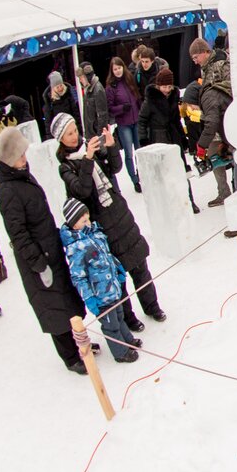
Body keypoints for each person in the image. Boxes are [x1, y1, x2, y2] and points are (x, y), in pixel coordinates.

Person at [54, 113, 165, 329]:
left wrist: (112, 146)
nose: (75, 136)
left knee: (140, 266)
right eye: (69, 134)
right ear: (61, 139)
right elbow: (83, 190)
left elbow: (114, 168)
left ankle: (152, 306)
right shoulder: (66, 167)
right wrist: (87, 159)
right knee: (117, 274)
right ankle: (129, 318)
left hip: (119, 213)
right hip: (101, 223)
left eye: (75, 130)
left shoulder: (89, 147)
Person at [0, 128, 88, 374]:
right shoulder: (8, 191)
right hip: (39, 260)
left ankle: (80, 345)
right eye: (20, 155)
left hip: (50, 250)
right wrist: (38, 263)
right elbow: (18, 234)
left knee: (66, 301)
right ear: (9, 159)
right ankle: (71, 357)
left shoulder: (21, 176)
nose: (24, 158)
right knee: (54, 309)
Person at [60, 199, 141, 363]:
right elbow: (79, 277)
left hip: (113, 289)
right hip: (100, 295)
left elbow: (108, 256)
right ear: (74, 224)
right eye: (83, 221)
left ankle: (127, 340)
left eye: (88, 219)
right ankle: (120, 352)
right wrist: (89, 298)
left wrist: (118, 270)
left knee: (119, 316)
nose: (88, 223)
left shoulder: (96, 234)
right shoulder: (76, 248)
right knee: (111, 325)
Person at [138, 68, 200, 214]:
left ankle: (189, 201)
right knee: (164, 175)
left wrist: (183, 139)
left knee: (182, 171)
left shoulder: (173, 96)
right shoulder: (150, 100)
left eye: (169, 86)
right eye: (164, 87)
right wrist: (143, 140)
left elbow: (176, 120)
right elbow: (142, 121)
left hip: (174, 137)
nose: (167, 90)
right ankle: (171, 206)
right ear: (158, 86)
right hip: (158, 138)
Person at [190, 38, 235, 213]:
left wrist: (214, 97)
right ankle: (223, 191)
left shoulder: (222, 62)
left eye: (196, 57)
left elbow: (230, 88)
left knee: (234, 155)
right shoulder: (205, 68)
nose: (195, 61)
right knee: (214, 156)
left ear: (204, 52)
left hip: (226, 118)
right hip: (213, 120)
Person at [105, 57, 143, 193]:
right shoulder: (111, 87)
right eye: (115, 69)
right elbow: (110, 108)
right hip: (124, 124)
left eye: (119, 68)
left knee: (139, 150)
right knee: (129, 153)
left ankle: (142, 175)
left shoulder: (129, 79)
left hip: (136, 120)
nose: (118, 71)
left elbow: (137, 97)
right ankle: (135, 180)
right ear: (112, 71)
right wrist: (122, 108)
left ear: (123, 67)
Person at [42, 71, 80, 140]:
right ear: (53, 88)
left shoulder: (69, 95)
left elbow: (76, 114)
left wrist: (79, 129)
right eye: (57, 87)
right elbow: (48, 123)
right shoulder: (49, 102)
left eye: (61, 85)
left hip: (72, 130)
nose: (60, 88)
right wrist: (51, 140)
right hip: (60, 136)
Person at [78, 62, 110, 141]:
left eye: (81, 77)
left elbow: (102, 115)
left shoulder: (97, 89)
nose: (80, 80)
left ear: (87, 76)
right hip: (91, 134)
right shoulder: (88, 89)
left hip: (96, 135)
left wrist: (100, 136)